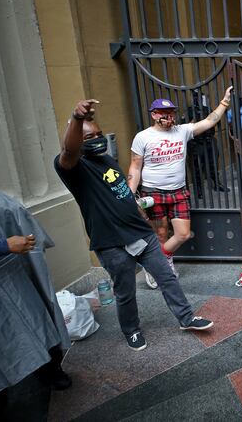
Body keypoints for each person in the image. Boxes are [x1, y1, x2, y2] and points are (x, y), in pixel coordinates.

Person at [54, 99, 214, 351]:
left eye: (98, 134)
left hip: (140, 232)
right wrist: (76, 117)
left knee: (167, 277)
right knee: (125, 291)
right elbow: (68, 152)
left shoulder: (105, 160)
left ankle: (186, 318)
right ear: (76, 141)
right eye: (89, 137)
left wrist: (141, 214)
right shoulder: (73, 167)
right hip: (110, 241)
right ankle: (132, 330)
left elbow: (122, 193)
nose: (96, 139)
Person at [128, 88, 232, 288]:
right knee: (160, 234)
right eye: (163, 114)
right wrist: (130, 194)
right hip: (153, 191)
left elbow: (210, 121)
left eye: (171, 113)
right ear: (154, 115)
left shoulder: (183, 130)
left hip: (178, 191)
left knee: (182, 234)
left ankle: (158, 261)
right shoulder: (143, 137)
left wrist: (224, 102)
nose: (169, 117)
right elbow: (135, 166)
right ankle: (161, 265)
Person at [0, 191, 72, 411]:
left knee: (36, 320)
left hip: (12, 278)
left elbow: (19, 219)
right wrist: (2, 246)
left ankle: (50, 370)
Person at [186, 91, 228, 197]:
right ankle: (198, 190)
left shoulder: (207, 109)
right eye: (196, 98)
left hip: (209, 141)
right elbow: (185, 126)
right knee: (197, 167)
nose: (198, 100)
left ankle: (217, 184)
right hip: (197, 143)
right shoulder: (189, 111)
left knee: (213, 163)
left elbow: (216, 120)